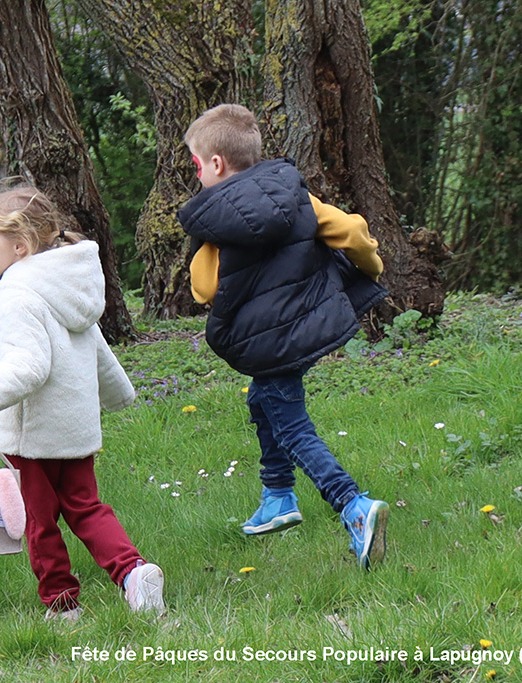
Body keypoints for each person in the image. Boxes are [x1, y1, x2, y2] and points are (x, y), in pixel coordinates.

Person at [177, 104, 391, 570]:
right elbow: (351, 231)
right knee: (263, 400)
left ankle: (353, 505)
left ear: (216, 164)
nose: (197, 175)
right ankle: (277, 496)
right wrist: (371, 266)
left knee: (289, 423)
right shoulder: (294, 191)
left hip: (267, 340)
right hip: (307, 324)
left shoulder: (215, 220)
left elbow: (205, 288)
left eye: (196, 165)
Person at [0, 182, 165, 620]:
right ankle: (133, 573)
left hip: (30, 436)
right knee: (86, 508)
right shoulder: (69, 286)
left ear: (20, 246)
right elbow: (97, 350)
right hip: (74, 428)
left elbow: (29, 367)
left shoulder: (17, 294)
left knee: (37, 519)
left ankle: (62, 604)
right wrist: (119, 393)